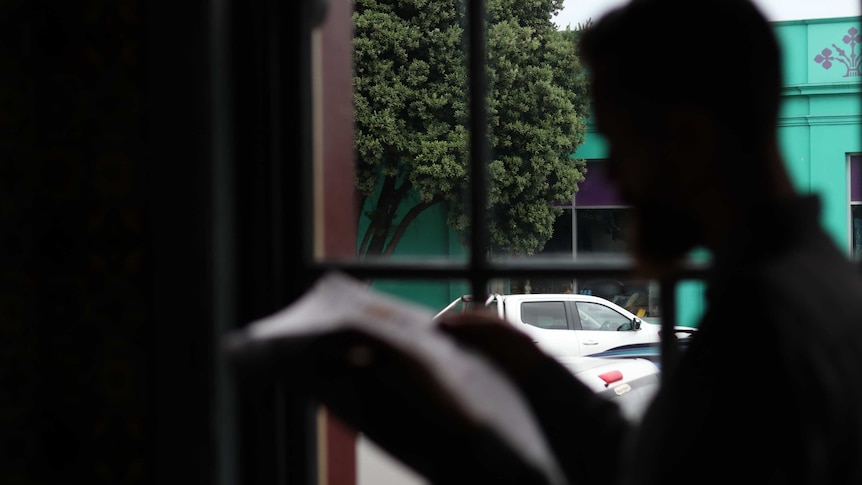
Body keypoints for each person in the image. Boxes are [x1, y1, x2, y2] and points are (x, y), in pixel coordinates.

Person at [437, 0, 862, 484]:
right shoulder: (808, 286)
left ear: (689, 139)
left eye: (621, 145)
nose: (613, 176)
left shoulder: (761, 325)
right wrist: (534, 372)